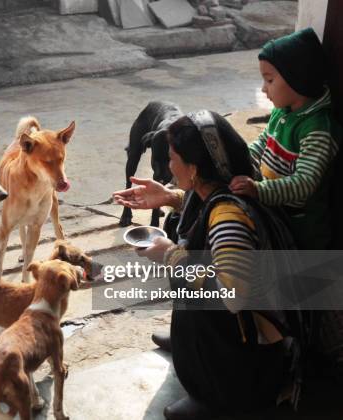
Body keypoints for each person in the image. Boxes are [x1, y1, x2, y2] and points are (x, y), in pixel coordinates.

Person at [113, 111, 290, 420]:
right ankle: (192, 349)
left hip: (251, 363)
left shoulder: (228, 218)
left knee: (185, 267)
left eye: (172, 158)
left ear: (193, 168)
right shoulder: (214, 192)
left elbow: (232, 297)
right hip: (241, 337)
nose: (168, 166)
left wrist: (171, 255)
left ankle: (217, 395)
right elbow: (201, 208)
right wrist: (169, 197)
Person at [229, 28, 339, 250]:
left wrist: (258, 190)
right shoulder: (283, 111)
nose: (263, 88)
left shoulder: (317, 129)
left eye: (269, 80)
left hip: (301, 233)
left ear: (297, 79)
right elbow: (263, 143)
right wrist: (240, 161)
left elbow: (304, 183)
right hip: (275, 210)